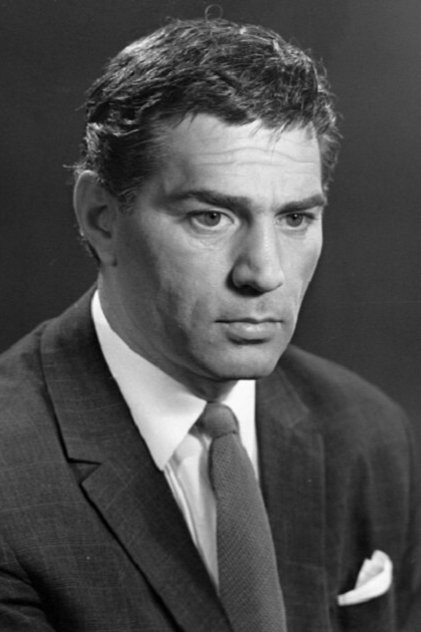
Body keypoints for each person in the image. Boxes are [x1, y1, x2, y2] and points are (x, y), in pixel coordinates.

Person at [0, 17, 419, 632]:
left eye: (296, 218)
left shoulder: (368, 433)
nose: (264, 272)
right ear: (101, 217)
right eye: (211, 217)